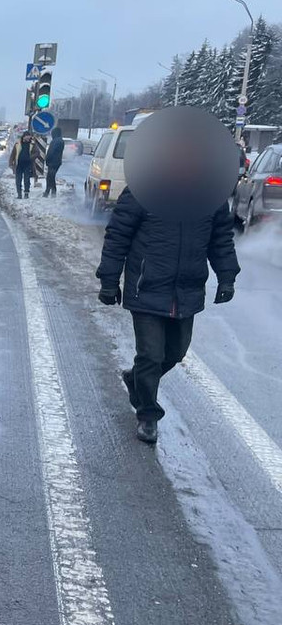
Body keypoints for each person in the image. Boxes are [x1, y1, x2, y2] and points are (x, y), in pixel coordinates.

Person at [95, 187, 239, 444]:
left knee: (175, 352)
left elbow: (220, 238)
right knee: (151, 355)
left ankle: (136, 379)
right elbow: (118, 234)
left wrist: (226, 276)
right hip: (146, 288)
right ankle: (148, 414)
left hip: (187, 291)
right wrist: (109, 280)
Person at [10, 132, 34, 198]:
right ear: (24, 137)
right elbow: (13, 154)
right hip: (18, 165)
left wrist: (30, 157)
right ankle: (19, 194)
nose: (28, 139)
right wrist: (11, 163)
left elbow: (37, 152)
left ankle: (26, 193)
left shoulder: (32, 144)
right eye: (27, 137)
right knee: (18, 180)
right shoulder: (18, 144)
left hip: (27, 165)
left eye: (29, 137)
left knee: (27, 180)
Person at [42, 126, 64, 197]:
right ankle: (50, 192)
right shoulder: (60, 140)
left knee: (50, 177)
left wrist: (47, 159)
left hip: (53, 162)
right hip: (56, 162)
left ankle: (49, 192)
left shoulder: (55, 141)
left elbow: (51, 152)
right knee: (51, 177)